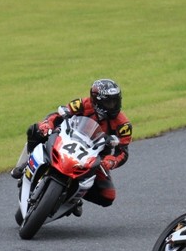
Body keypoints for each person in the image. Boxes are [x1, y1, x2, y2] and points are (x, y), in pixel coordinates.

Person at [10, 79, 132, 214]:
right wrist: (47, 124)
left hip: (95, 156)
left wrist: (111, 161)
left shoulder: (123, 125)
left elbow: (123, 152)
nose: (113, 106)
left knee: (108, 196)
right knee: (35, 129)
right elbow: (59, 115)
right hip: (68, 139)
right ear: (96, 101)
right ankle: (26, 163)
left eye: (116, 101)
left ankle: (74, 198)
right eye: (109, 102)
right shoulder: (83, 104)